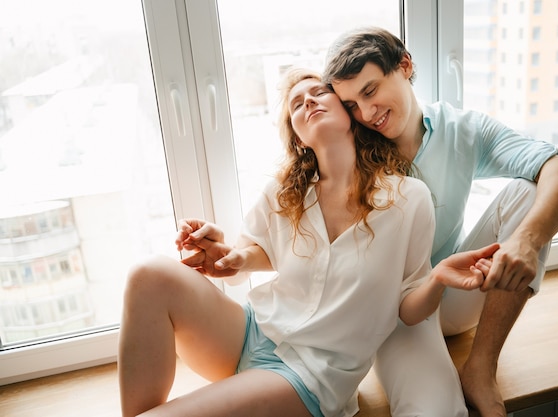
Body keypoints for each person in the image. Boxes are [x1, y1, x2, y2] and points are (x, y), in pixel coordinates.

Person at [118, 68, 499, 417]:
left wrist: (438, 279)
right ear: (298, 135)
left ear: (350, 113)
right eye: (297, 104)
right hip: (250, 330)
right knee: (147, 274)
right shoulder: (286, 192)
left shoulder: (408, 199)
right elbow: (255, 252)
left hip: (311, 374)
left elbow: (409, 309)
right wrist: (229, 258)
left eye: (318, 93)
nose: (309, 101)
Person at [322, 26, 558, 417]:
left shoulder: (463, 130)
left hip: (453, 295)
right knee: (435, 411)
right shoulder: (354, 149)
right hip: (393, 316)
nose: (365, 114)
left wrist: (526, 241)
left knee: (530, 192)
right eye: (351, 106)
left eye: (370, 91)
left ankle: (481, 367)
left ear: (405, 66)